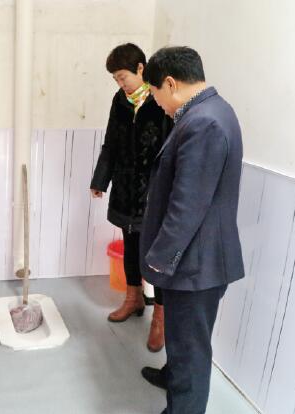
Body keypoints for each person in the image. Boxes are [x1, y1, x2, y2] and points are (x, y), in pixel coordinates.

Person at [138, 46, 245, 414]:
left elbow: (187, 207)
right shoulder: (211, 112)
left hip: (196, 264)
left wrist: (156, 261)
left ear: (170, 83)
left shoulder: (203, 123)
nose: (157, 103)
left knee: (191, 350)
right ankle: (173, 376)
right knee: (183, 339)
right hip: (195, 259)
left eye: (155, 93)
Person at [90, 43, 172, 352]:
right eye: (115, 79)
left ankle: (160, 317)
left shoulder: (160, 99)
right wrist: (101, 180)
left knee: (156, 254)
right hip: (126, 186)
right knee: (131, 245)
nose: (120, 83)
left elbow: (170, 149)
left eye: (122, 76)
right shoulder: (120, 100)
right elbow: (110, 142)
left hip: (153, 190)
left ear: (140, 68)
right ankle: (133, 298)